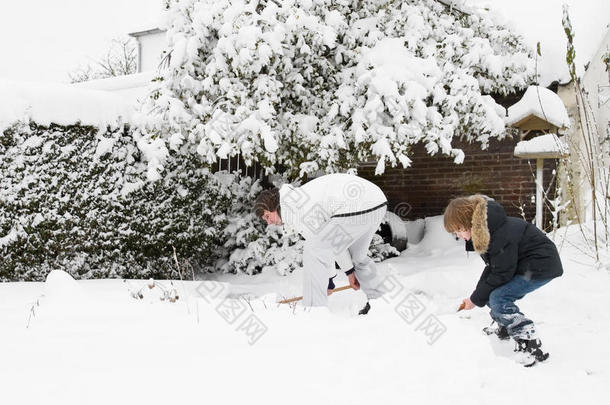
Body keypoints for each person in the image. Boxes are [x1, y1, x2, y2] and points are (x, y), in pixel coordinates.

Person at [443, 194, 563, 366]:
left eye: (460, 229)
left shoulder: (497, 234)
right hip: (523, 264)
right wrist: (476, 296)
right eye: (455, 232)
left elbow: (501, 274)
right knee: (491, 291)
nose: (459, 235)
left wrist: (476, 299)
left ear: (470, 222)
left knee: (498, 297)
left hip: (540, 266)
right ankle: (504, 325)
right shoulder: (487, 230)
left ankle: (529, 341)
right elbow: (493, 268)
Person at [254, 173, 388, 308]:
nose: (269, 222)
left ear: (275, 206)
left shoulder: (297, 209)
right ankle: (379, 301)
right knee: (357, 256)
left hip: (357, 205)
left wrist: (328, 281)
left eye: (267, 216)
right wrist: (349, 272)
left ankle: (314, 311)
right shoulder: (295, 200)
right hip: (377, 202)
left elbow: (324, 246)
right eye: (265, 220)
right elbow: (334, 241)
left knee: (313, 250)